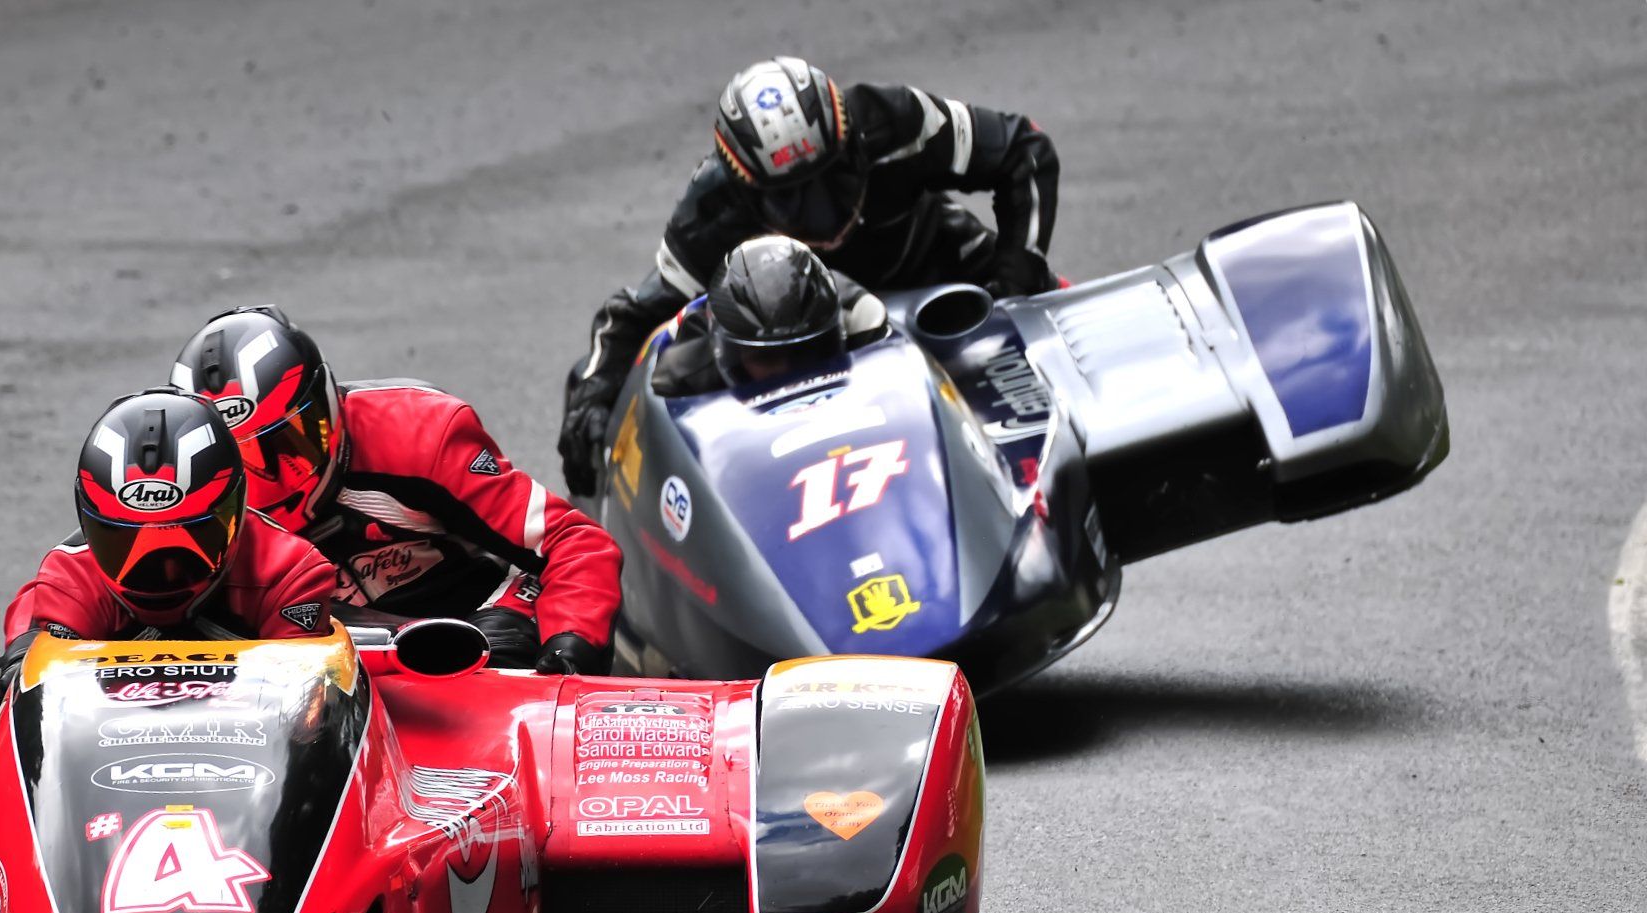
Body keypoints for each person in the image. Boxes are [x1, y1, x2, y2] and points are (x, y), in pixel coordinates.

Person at [561, 55, 1059, 494]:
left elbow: (1025, 149)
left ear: (852, 143)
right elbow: (632, 317)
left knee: (1058, 355)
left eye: (832, 177)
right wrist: (590, 400)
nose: (822, 212)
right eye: (790, 198)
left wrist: (1014, 283)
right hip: (813, 367)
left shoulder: (892, 120)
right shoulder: (713, 210)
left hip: (950, 298)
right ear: (748, 191)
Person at [170, 305, 621, 674]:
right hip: (297, 661)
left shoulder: (420, 435)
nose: (272, 483)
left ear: (326, 406)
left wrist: (570, 646)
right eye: (239, 463)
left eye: (288, 447)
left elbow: (574, 542)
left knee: (509, 638)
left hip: (461, 642)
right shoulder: (169, 497)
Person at [0, 389, 335, 718]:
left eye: (193, 535)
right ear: (87, 521)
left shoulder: (289, 573)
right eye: (123, 540)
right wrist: (23, 660)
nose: (160, 571)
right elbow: (46, 687)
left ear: (235, 513)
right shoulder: (71, 576)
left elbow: (301, 713)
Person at [649, 235, 888, 398]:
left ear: (838, 334)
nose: (791, 376)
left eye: (806, 351)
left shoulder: (865, 323)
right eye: (766, 358)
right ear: (725, 352)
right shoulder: (682, 378)